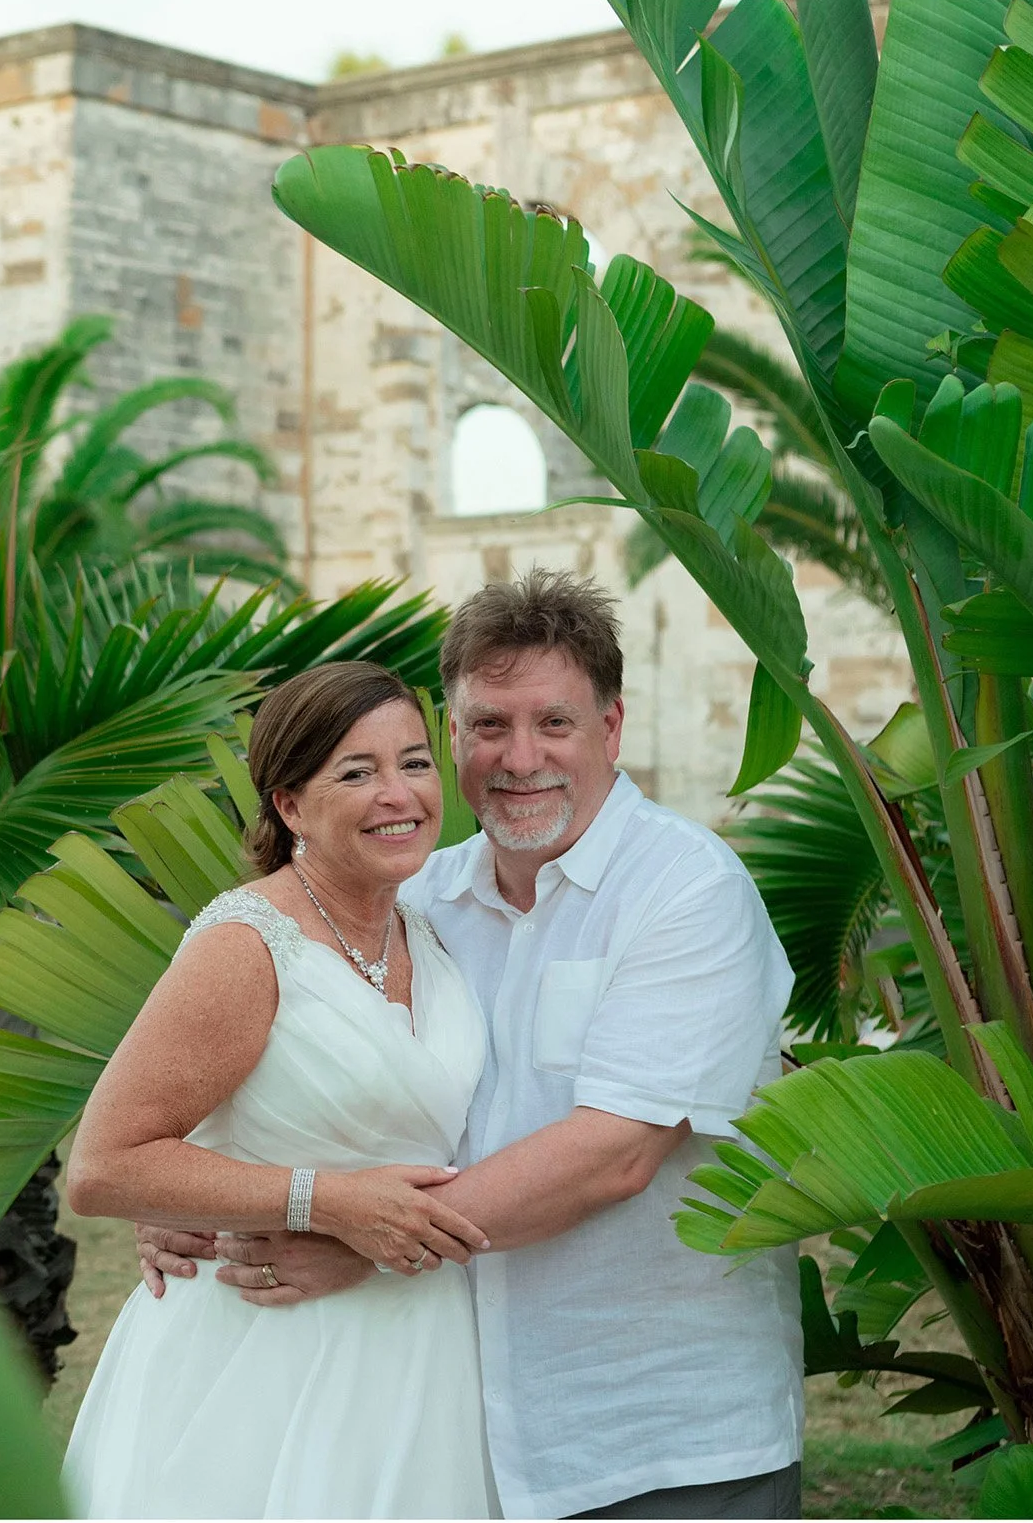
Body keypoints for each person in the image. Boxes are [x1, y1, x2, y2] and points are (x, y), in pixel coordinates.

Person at [140, 569, 805, 1520]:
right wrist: (195, 1199)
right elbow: (320, 1080)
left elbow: (615, 1152)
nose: (520, 757)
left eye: (554, 722)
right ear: (454, 736)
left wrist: (367, 1243)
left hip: (655, 1432)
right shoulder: (416, 898)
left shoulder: (687, 890)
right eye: (490, 724)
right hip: (452, 1428)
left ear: (611, 727)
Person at [62, 660, 499, 1519]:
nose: (399, 794)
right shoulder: (249, 943)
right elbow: (102, 1165)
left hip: (422, 1349)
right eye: (356, 772)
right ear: (290, 805)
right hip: (265, 1351)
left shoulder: (430, 927)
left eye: (414, 762)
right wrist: (322, 1201)